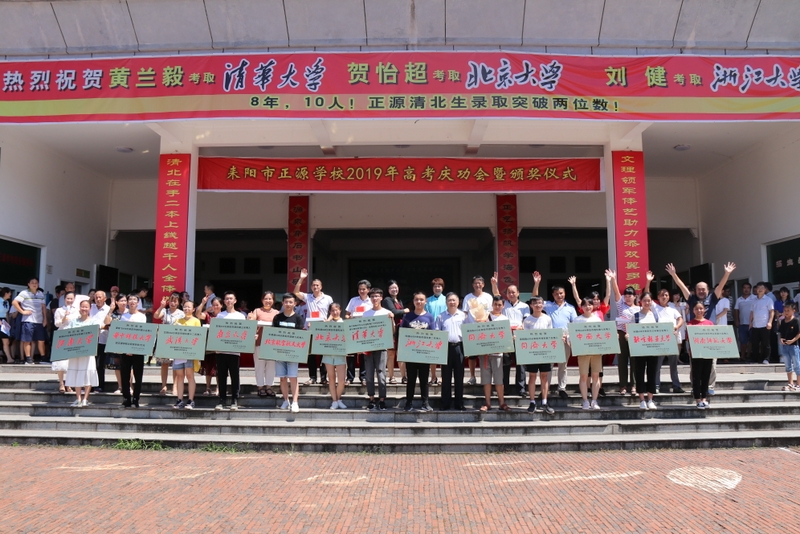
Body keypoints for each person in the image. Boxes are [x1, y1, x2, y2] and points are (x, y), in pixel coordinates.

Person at [666, 262, 736, 395]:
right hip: (695, 336)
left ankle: (710, 386)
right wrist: (674, 275)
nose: (701, 291)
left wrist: (727, 273)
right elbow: (681, 286)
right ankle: (695, 386)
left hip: (711, 335)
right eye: (699, 289)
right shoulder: (691, 298)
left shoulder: (713, 298)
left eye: (703, 289)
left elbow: (721, 286)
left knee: (712, 364)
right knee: (695, 364)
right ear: (695, 290)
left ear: (708, 290)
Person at [569, 271, 613, 397]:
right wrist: (573, 285)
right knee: (586, 371)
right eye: (593, 299)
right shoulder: (584, 312)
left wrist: (608, 281)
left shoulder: (601, 310)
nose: (596, 301)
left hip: (598, 343)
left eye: (597, 299)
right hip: (585, 344)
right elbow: (578, 299)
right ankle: (587, 389)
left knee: (599, 370)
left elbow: (608, 295)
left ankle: (599, 388)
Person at [536, 277, 577, 400]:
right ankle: (545, 389)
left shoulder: (570, 308)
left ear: (564, 293)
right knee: (548, 366)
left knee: (563, 366)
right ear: (553, 295)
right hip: (551, 339)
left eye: (561, 293)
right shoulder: (548, 305)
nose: (559, 295)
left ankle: (562, 388)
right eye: (557, 294)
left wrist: (568, 336)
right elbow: (536, 298)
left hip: (565, 339)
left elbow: (574, 324)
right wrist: (537, 283)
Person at [491, 272, 531, 397]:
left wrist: (521, 327)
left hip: (519, 335)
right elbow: (496, 295)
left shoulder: (524, 306)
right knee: (505, 363)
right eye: (509, 292)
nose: (511, 294)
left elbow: (526, 320)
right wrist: (494, 284)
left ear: (518, 293)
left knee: (521, 364)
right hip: (506, 336)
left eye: (513, 292)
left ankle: (521, 389)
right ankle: (505, 388)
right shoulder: (504, 305)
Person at [106, 293, 147, 408]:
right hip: (125, 349)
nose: (132, 301)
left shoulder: (142, 316)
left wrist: (133, 348)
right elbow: (121, 333)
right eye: (130, 300)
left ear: (138, 302)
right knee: (125, 375)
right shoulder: (123, 316)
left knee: (138, 375)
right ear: (128, 302)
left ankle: (136, 398)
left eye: (135, 300)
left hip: (138, 349)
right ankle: (126, 398)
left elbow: (142, 333)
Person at [294, 268, 333, 386]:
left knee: (323, 354)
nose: (315, 287)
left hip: (323, 329)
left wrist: (328, 320)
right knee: (310, 355)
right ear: (311, 287)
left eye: (317, 285)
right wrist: (301, 278)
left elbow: (333, 311)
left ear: (321, 287)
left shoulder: (328, 298)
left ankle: (323, 378)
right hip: (310, 329)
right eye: (313, 285)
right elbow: (296, 292)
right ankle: (312, 377)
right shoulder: (308, 297)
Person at [622, 292, 660, 410]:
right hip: (640, 349)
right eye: (645, 301)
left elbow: (660, 330)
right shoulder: (636, 316)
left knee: (652, 373)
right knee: (639, 373)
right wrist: (628, 336)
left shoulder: (655, 315)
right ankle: (642, 399)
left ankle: (650, 399)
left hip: (653, 349)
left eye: (649, 300)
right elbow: (630, 330)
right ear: (640, 302)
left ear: (651, 302)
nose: (647, 303)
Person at [473, 295, 510, 412]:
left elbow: (506, 336)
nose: (497, 307)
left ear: (503, 306)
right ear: (492, 304)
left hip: (498, 354)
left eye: (500, 305)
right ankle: (487, 403)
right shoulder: (484, 316)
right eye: (495, 304)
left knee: (499, 380)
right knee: (486, 380)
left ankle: (502, 403)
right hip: (485, 353)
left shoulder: (505, 319)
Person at [400, 291, 435, 412]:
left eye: (421, 299)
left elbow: (433, 335)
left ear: (425, 301)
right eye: (416, 299)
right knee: (411, 379)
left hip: (424, 354)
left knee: (424, 380)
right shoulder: (408, 316)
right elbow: (402, 333)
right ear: (413, 301)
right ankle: (408, 403)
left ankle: (425, 403)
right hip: (411, 354)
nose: (419, 302)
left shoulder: (430, 317)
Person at [213, 292, 246, 411]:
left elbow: (244, 332)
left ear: (235, 301)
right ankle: (221, 400)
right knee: (222, 376)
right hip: (221, 351)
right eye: (227, 299)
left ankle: (234, 400)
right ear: (224, 301)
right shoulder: (220, 316)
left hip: (234, 351)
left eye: (231, 298)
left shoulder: (241, 316)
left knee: (234, 376)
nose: (229, 301)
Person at [522, 296, 556, 415]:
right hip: (532, 353)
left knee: (544, 377)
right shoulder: (527, 320)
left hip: (545, 352)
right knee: (532, 377)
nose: (538, 305)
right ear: (531, 305)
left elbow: (551, 334)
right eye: (535, 303)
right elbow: (525, 337)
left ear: (543, 304)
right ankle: (532, 402)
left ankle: (544, 401)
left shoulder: (547, 318)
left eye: (540, 303)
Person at [63, 299, 100, 407]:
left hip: (88, 353)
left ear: (90, 308)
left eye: (86, 307)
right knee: (76, 374)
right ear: (79, 308)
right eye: (82, 306)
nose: (84, 309)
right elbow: (68, 335)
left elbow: (95, 335)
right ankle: (78, 398)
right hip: (75, 353)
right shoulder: (74, 322)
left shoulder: (93, 322)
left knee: (88, 374)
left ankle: (85, 399)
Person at [273, 293, 305, 413]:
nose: (288, 304)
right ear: (282, 303)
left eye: (290, 302)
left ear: (295, 303)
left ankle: (295, 402)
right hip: (279, 352)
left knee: (293, 377)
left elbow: (301, 336)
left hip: (293, 352)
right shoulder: (277, 317)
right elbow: (273, 334)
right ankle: (285, 400)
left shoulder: (298, 318)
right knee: (282, 378)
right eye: (286, 302)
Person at [362, 288, 393, 410]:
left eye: (377, 296)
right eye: (372, 296)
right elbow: (362, 331)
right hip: (369, 348)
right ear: (370, 298)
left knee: (381, 374)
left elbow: (392, 331)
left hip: (382, 348)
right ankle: (371, 399)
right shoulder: (366, 314)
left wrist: (391, 319)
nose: (375, 298)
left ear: (381, 298)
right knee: (369, 375)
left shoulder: (387, 313)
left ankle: (382, 400)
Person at [436, 292, 467, 411]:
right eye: (450, 300)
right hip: (446, 347)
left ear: (458, 302)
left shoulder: (464, 316)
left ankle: (459, 403)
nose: (452, 302)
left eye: (454, 300)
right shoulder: (441, 316)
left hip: (460, 347)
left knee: (459, 377)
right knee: (446, 376)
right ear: (446, 302)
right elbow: (437, 332)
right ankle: (445, 403)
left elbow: (468, 332)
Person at [610, 272, 640, 395]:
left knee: (634, 361)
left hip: (634, 335)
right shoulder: (621, 306)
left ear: (635, 297)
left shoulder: (639, 309)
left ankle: (633, 385)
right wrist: (613, 279)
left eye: (630, 295)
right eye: (626, 296)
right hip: (621, 334)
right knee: (622, 361)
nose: (628, 298)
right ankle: (622, 385)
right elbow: (616, 293)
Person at [462, 275, 493, 385]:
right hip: (472, 329)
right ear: (472, 285)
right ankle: (472, 376)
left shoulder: (488, 297)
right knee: (472, 356)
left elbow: (491, 313)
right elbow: (465, 313)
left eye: (480, 283)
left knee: (485, 355)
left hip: (485, 329)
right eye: (475, 283)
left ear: (483, 284)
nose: (477, 285)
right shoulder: (468, 297)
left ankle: (486, 377)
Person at [653, 288, 686, 394]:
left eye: (666, 295)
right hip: (660, 341)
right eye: (662, 295)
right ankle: (656, 386)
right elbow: (647, 292)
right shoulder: (655, 307)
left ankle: (676, 386)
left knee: (673, 365)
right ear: (658, 297)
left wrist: (677, 326)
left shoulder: (672, 309)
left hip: (672, 340)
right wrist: (648, 282)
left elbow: (680, 319)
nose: (664, 297)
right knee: (657, 365)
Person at [573, 297, 603, 410]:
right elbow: (572, 335)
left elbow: (602, 335)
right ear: (581, 307)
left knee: (595, 376)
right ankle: (585, 400)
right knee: (583, 376)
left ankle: (594, 400)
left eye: (590, 305)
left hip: (596, 352)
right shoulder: (577, 320)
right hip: (583, 352)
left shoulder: (597, 320)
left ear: (593, 306)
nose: (588, 307)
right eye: (585, 305)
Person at [248, 291, 279, 397]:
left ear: (273, 300)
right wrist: (250, 318)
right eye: (266, 298)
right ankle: (260, 387)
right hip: (259, 342)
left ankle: (269, 386)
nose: (268, 301)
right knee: (259, 365)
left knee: (271, 366)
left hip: (272, 343)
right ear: (262, 300)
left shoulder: (277, 313)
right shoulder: (257, 311)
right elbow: (251, 324)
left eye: (270, 299)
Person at [172, 300, 201, 409]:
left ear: (193, 309)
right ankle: (179, 400)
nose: (186, 309)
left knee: (189, 376)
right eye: (185, 307)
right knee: (179, 376)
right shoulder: (177, 321)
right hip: (179, 352)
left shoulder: (196, 321)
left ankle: (190, 400)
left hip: (190, 353)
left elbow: (198, 337)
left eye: (189, 307)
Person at [12, 277, 48, 365]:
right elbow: (14, 302)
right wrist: (22, 311)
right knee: (27, 340)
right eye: (32, 282)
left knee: (41, 340)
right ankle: (28, 359)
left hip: (39, 320)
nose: (34, 284)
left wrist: (45, 319)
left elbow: (43, 307)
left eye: (36, 282)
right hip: (28, 320)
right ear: (28, 284)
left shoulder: (40, 294)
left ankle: (43, 358)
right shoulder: (24, 293)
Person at [154, 293, 184, 395]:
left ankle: (175, 386)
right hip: (165, 340)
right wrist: (161, 306)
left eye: (175, 301)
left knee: (176, 364)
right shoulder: (164, 311)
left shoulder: (181, 313)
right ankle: (164, 385)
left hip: (176, 341)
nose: (172, 303)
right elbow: (156, 316)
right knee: (164, 363)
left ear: (179, 303)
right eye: (171, 300)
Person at [687, 301, 714, 409]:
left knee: (706, 376)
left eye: (701, 308)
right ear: (693, 310)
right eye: (696, 309)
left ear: (704, 310)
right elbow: (688, 338)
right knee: (696, 376)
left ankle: (704, 399)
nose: (699, 311)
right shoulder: (690, 324)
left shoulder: (710, 323)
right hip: (696, 353)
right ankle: (698, 399)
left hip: (708, 352)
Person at [345, 279, 371, 385]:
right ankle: (350, 378)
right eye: (360, 289)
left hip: (366, 331)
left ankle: (363, 377)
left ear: (368, 290)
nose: (362, 291)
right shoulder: (353, 300)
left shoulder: (371, 301)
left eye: (364, 289)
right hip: (354, 330)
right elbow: (346, 315)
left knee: (364, 355)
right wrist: (350, 317)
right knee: (351, 355)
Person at [322, 303, 347, 409]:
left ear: (340, 310)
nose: (335, 312)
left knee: (341, 380)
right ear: (329, 312)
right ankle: (335, 401)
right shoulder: (326, 323)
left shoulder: (344, 323)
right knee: (331, 378)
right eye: (332, 310)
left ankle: (338, 398)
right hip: (328, 354)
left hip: (340, 354)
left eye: (337, 310)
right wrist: (327, 322)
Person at [383, 280, 408, 385]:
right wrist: (404, 311)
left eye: (396, 287)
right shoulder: (387, 300)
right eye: (392, 288)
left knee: (401, 353)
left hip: (400, 329)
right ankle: (391, 377)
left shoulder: (399, 300)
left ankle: (404, 377)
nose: (394, 289)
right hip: (391, 329)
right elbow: (394, 312)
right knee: (391, 354)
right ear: (388, 289)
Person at [53, 291, 78, 393]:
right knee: (61, 361)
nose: (69, 300)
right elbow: (56, 324)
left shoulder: (77, 311)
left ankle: (69, 383)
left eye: (71, 299)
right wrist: (64, 317)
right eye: (68, 298)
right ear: (64, 299)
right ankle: (61, 383)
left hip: (73, 337)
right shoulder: (59, 310)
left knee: (71, 362)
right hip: (62, 337)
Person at [195, 295, 221, 396]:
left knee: (219, 368)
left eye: (217, 305)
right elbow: (197, 314)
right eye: (213, 305)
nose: (215, 307)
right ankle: (208, 388)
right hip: (209, 345)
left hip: (220, 345)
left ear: (221, 305)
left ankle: (218, 388)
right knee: (208, 367)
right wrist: (203, 303)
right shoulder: (208, 315)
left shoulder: (224, 316)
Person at [104, 293, 128, 394]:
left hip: (128, 342)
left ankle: (129, 386)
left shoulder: (130, 313)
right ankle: (120, 386)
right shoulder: (113, 314)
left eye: (125, 300)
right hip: (116, 342)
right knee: (117, 365)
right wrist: (110, 310)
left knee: (128, 366)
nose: (123, 303)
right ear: (117, 302)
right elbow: (106, 322)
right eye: (121, 301)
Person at [749, 281, 775, 365]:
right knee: (755, 343)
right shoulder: (754, 300)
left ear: (765, 289)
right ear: (756, 289)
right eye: (758, 288)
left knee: (766, 343)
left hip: (765, 324)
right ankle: (755, 359)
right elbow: (752, 312)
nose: (760, 290)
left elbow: (771, 312)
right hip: (755, 325)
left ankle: (766, 359)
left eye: (762, 288)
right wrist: (750, 323)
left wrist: (770, 322)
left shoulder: (768, 299)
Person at [89, 291, 109, 393]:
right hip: (90, 339)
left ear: (105, 298)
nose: (98, 299)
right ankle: (89, 386)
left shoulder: (108, 309)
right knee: (90, 364)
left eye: (100, 297)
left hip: (102, 339)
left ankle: (100, 385)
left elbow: (109, 324)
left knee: (99, 364)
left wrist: (100, 327)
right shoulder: (90, 307)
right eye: (96, 297)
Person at [778, 302, 800, 391]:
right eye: (785, 310)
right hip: (785, 346)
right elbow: (780, 332)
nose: (786, 312)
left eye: (788, 310)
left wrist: (793, 340)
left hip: (794, 346)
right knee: (788, 365)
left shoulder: (796, 321)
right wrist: (781, 339)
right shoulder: (783, 321)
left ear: (793, 311)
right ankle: (790, 383)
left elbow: (799, 333)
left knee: (797, 365)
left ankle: (798, 384)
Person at [734, 283, 756, 362]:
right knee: (743, 340)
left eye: (748, 288)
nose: (746, 289)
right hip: (742, 324)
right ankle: (742, 355)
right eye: (744, 288)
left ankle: (749, 355)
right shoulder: (739, 299)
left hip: (752, 324)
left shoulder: (755, 298)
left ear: (750, 289)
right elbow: (736, 310)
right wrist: (737, 320)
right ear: (742, 289)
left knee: (752, 340)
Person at [0, 287, 13, 363]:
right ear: (6, 293)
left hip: (4, 321)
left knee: (6, 340)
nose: (10, 294)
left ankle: (9, 358)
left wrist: (8, 323)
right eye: (10, 292)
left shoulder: (7, 302)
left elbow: (6, 313)